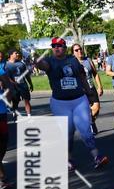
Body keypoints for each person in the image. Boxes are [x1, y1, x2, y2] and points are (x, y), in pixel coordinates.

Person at [36, 36, 108, 171]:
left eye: (59, 46)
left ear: (64, 48)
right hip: (60, 103)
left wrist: (89, 93)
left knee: (86, 130)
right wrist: (36, 60)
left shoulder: (73, 60)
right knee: (68, 132)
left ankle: (96, 157)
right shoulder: (49, 61)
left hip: (79, 100)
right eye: (54, 46)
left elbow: (82, 77)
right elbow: (42, 66)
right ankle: (68, 158)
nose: (56, 48)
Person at [72, 44, 103, 134]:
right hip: (80, 90)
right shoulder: (72, 63)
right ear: (73, 53)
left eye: (80, 49)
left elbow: (95, 74)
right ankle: (89, 124)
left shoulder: (88, 60)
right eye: (76, 50)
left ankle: (90, 122)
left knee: (96, 108)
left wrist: (99, 86)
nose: (79, 51)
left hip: (91, 87)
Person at [5, 49, 33, 117]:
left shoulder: (21, 64)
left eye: (18, 53)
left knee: (27, 100)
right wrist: (13, 83)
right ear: (11, 55)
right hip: (13, 87)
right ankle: (14, 111)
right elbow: (6, 77)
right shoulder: (7, 65)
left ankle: (29, 115)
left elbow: (26, 75)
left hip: (23, 85)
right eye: (15, 53)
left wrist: (30, 84)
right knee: (15, 101)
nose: (17, 54)